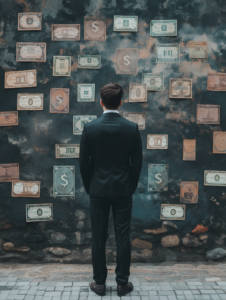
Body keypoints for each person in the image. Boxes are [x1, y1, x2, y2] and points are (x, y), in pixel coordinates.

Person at [79, 83, 143, 297]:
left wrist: (91, 187)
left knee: (98, 237)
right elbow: (137, 164)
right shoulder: (131, 128)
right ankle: (123, 284)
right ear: (121, 102)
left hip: (98, 190)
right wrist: (130, 186)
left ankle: (99, 283)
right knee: (123, 236)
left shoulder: (90, 128)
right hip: (123, 190)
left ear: (101, 102)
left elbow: (83, 164)